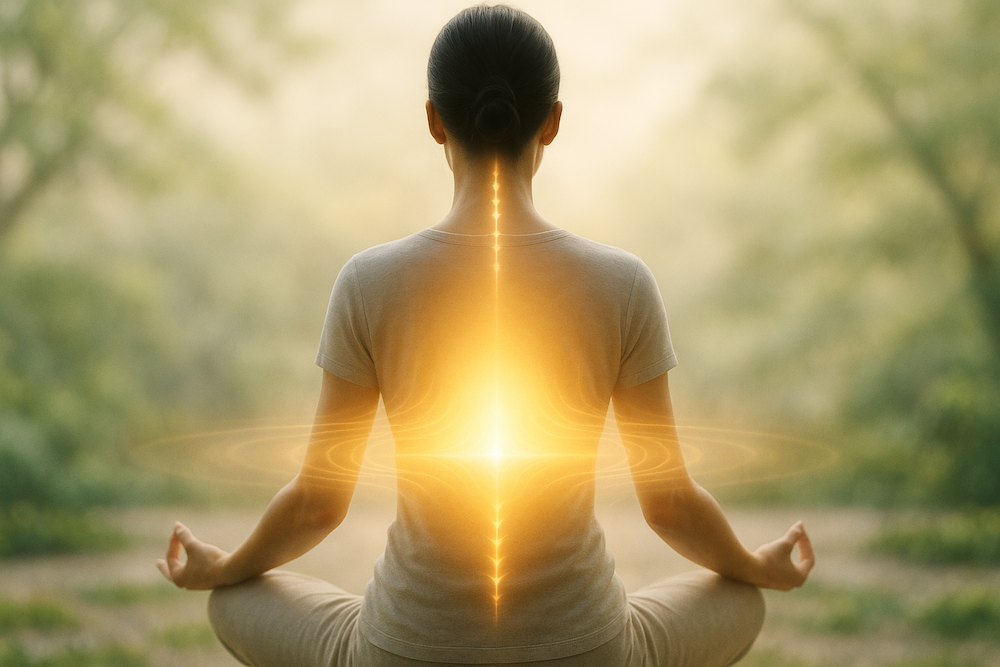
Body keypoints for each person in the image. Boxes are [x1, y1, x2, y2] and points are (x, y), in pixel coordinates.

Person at [156, 5, 814, 666]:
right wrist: (756, 563)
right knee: (741, 598)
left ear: (434, 119)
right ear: (553, 122)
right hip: (586, 649)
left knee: (234, 598)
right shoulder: (623, 282)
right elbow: (669, 504)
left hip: (404, 650)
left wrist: (226, 564)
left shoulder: (368, 281)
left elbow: (317, 503)